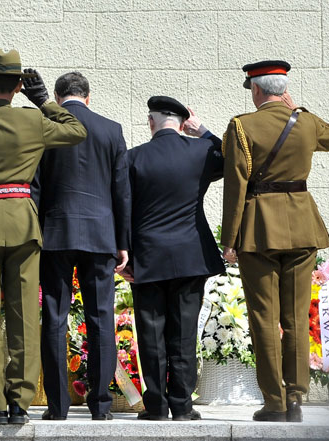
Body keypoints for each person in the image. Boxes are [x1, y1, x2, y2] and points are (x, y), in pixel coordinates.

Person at [0, 48, 86, 425]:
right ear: (19, 86)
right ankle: (20, 403)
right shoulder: (33, 121)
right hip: (24, 225)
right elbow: (77, 130)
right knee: (24, 315)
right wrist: (42, 101)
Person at [221, 60, 329, 423]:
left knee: (264, 317)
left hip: (259, 230)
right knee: (295, 317)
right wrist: (298, 108)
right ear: (283, 90)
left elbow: (236, 185)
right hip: (303, 226)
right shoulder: (304, 121)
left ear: (256, 90)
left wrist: (230, 239)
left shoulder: (242, 126)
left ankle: (274, 402)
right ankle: (296, 397)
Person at [35, 72, 130, 421]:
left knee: (55, 318)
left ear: (59, 98)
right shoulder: (111, 129)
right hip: (100, 236)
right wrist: (123, 242)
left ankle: (57, 406)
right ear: (88, 97)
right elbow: (122, 191)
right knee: (101, 318)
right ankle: (101, 404)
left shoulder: (47, 127)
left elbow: (37, 186)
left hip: (55, 235)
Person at [123, 96, 225, 421]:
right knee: (183, 334)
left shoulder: (133, 158)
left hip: (148, 258)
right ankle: (181, 406)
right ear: (183, 123)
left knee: (151, 334)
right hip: (190, 256)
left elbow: (121, 209)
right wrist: (204, 132)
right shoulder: (200, 152)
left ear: (150, 123)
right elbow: (236, 158)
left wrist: (123, 255)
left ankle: (155, 406)